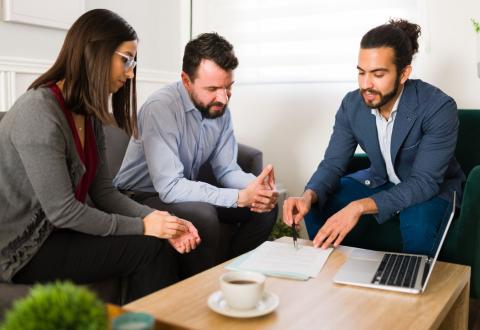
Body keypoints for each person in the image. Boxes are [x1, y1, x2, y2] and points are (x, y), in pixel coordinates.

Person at [0, 9, 200, 303]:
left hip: (57, 233)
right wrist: (144, 226)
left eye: (134, 62)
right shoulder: (38, 112)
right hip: (21, 249)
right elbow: (63, 211)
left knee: (158, 239)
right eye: (126, 59)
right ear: (94, 51)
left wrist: (158, 218)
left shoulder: (88, 115)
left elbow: (104, 192)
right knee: (148, 247)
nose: (131, 72)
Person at [283, 19, 465, 256]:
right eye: (361, 73)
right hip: (380, 180)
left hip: (431, 188)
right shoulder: (352, 105)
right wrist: (307, 196)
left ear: (403, 74)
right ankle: (330, 278)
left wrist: (358, 207)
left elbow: (425, 182)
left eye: (378, 74)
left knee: (418, 224)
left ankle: (405, 288)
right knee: (320, 203)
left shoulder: (438, 107)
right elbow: (333, 164)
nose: (366, 85)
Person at [114, 32, 278, 276]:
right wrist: (237, 198)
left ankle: (231, 276)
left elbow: (226, 169)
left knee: (265, 207)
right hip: (139, 196)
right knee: (202, 216)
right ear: (186, 80)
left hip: (180, 189)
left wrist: (255, 188)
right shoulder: (161, 108)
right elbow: (170, 187)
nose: (222, 98)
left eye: (228, 87)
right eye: (212, 88)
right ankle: (200, 292)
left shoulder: (219, 109)